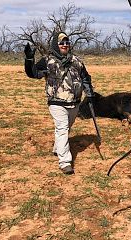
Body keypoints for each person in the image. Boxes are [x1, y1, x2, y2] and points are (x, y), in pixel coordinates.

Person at [24, 32, 95, 174]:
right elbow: (33, 73)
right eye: (62, 42)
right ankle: (65, 162)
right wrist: (29, 59)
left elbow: (85, 77)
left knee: (66, 127)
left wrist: (90, 93)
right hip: (56, 103)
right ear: (56, 44)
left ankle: (58, 148)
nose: (65, 45)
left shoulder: (77, 60)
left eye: (67, 42)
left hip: (74, 103)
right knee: (62, 128)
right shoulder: (47, 60)